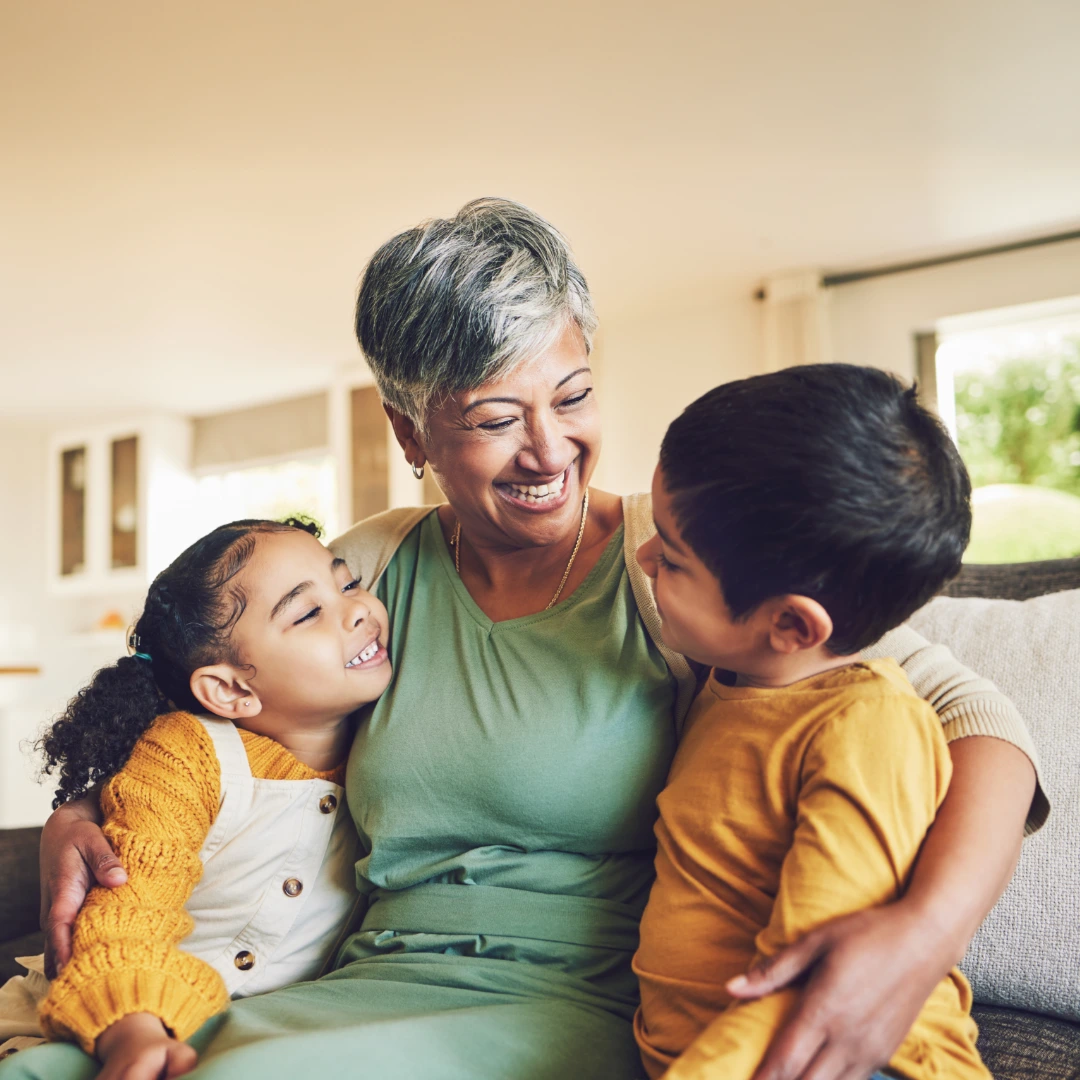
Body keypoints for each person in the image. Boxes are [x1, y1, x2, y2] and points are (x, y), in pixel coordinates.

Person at [7, 199, 1045, 1080]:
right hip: (362, 982)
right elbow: (215, 697)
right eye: (497, 416)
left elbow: (972, 716)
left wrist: (921, 938)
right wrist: (84, 815)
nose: (550, 449)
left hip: (561, 1011)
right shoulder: (365, 572)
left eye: (575, 395)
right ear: (411, 434)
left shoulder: (681, 567)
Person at [633, 365, 991, 1080]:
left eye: (670, 560)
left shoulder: (867, 727)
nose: (641, 559)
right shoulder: (730, 681)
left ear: (792, 624)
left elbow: (813, 982)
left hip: (844, 1059)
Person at [0, 518, 391, 1079]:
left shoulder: (386, 746)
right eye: (308, 613)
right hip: (85, 1023)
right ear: (231, 689)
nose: (358, 610)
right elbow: (127, 914)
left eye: (349, 583)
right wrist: (132, 1027)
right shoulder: (186, 754)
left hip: (243, 1037)